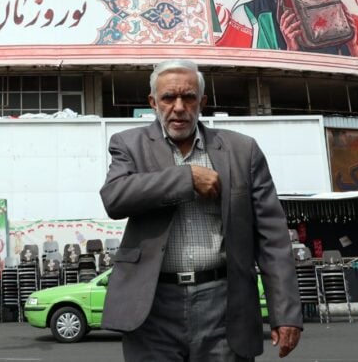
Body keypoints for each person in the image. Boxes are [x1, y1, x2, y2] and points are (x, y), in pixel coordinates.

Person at [100, 60, 303, 361]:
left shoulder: (242, 150)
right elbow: (114, 197)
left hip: (224, 304)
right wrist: (187, 178)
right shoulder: (129, 144)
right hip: (153, 306)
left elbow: (272, 237)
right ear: (153, 102)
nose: (179, 107)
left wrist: (285, 312)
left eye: (188, 97)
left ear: (202, 102)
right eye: (168, 98)